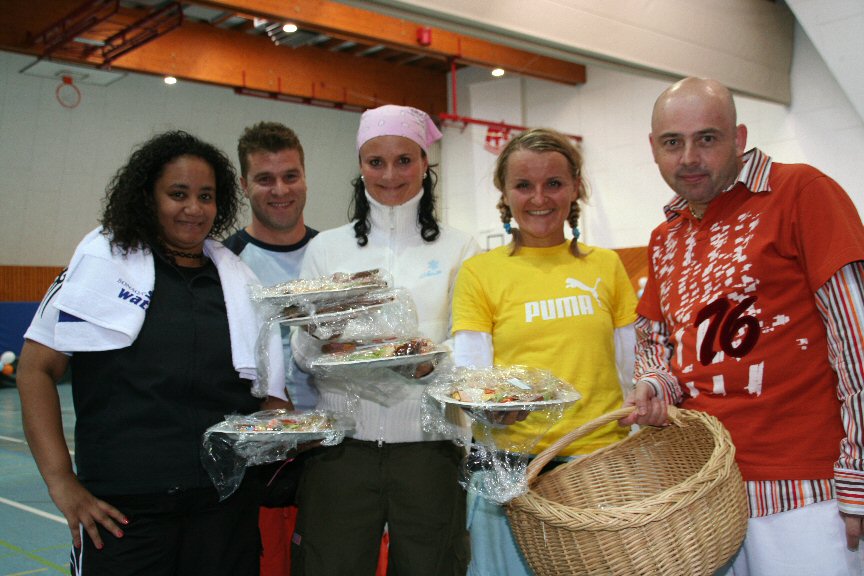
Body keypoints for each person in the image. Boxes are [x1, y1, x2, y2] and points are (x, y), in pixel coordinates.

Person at [623, 76, 864, 575]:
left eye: (707, 138)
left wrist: (858, 473)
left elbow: (856, 339)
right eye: (672, 142)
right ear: (653, 148)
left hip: (804, 489)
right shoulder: (667, 236)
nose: (689, 157)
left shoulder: (801, 192)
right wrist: (656, 381)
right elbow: (655, 339)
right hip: (706, 488)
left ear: (738, 138)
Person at [16, 131, 283, 575]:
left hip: (223, 512)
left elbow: (267, 397)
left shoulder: (239, 281)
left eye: (206, 196)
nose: (194, 208)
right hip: (124, 514)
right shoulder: (100, 268)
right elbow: (34, 370)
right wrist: (61, 481)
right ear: (148, 198)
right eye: (178, 194)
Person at [290, 104, 479, 575]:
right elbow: (302, 351)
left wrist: (430, 363)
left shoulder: (460, 247)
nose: (390, 174)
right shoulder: (326, 248)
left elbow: (469, 346)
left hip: (430, 448)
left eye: (404, 160)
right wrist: (321, 336)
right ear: (360, 165)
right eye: (376, 161)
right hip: (342, 449)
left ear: (425, 163)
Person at [451, 128, 638, 575]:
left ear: (576, 188)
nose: (539, 198)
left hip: (596, 460)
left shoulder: (606, 265)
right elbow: (472, 375)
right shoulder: (480, 273)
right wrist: (488, 409)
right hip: (510, 467)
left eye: (553, 183)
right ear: (504, 193)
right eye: (523, 185)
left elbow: (633, 365)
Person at [223, 121, 318, 576]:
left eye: (290, 176)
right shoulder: (225, 262)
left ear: (305, 177)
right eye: (265, 178)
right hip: (262, 465)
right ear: (245, 185)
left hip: (334, 452)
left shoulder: (333, 254)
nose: (280, 190)